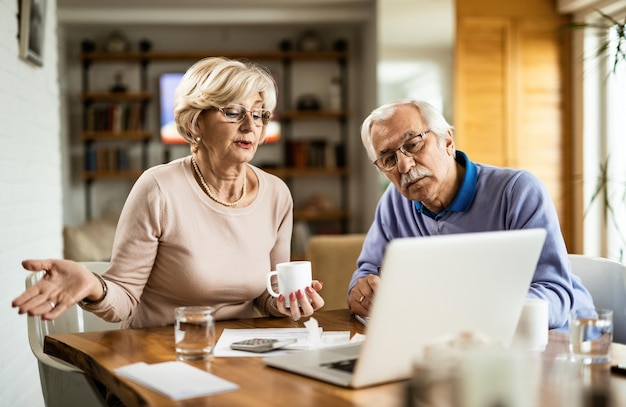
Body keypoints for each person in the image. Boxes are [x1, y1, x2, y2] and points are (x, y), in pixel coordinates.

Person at [12, 57, 325, 328]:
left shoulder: (277, 194)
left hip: (239, 354)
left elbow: (264, 294)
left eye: (259, 114)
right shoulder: (158, 188)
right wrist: (93, 284)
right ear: (195, 123)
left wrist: (285, 304)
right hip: (161, 354)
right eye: (233, 111)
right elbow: (123, 299)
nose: (250, 126)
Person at [347, 98, 593, 332]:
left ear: (448, 142)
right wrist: (363, 294)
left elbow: (555, 295)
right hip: (460, 343)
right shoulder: (394, 202)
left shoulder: (518, 191)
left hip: (562, 341)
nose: (403, 166)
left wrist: (473, 313)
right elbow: (366, 273)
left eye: (413, 145)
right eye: (389, 159)